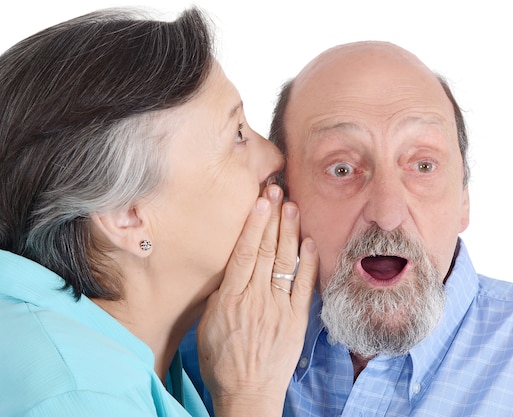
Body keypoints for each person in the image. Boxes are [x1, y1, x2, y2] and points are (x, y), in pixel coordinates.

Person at [181, 41, 513, 415]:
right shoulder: (199, 350)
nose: (388, 212)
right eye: (341, 169)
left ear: (464, 197)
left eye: (423, 165)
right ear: (281, 194)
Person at [0, 7, 317, 417]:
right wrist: (249, 398)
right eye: (237, 135)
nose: (275, 157)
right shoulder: (79, 397)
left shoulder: (118, 361)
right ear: (127, 216)